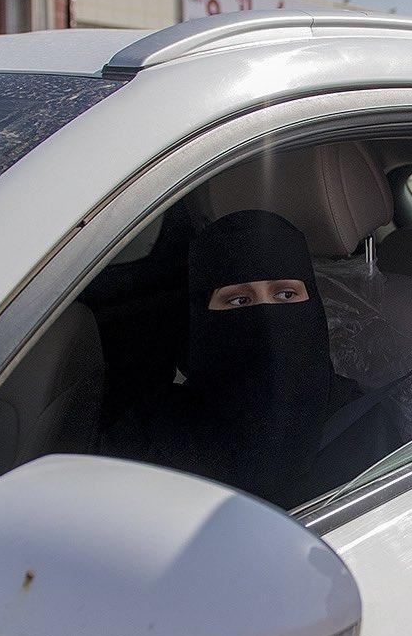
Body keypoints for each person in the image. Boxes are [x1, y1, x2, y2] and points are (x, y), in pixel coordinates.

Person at [103, 209, 333, 508]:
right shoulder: (145, 439)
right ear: (202, 319)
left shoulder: (370, 425)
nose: (266, 319)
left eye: (286, 295)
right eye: (239, 300)